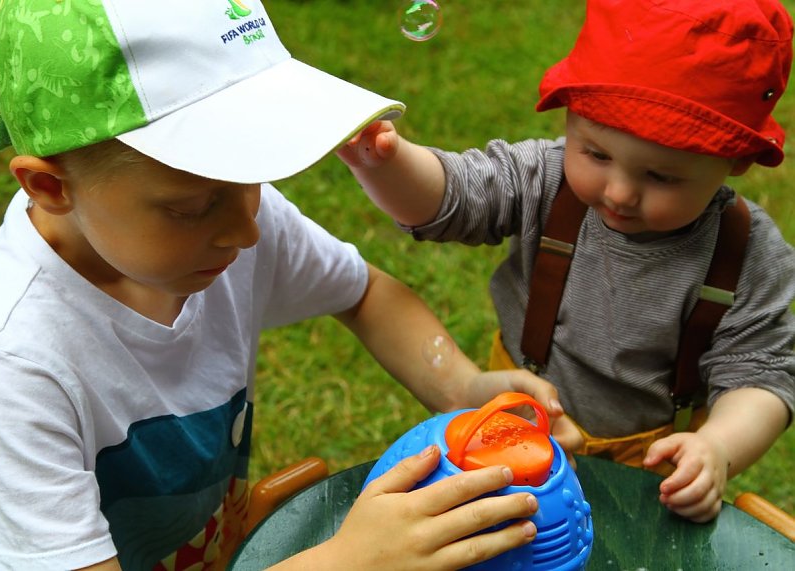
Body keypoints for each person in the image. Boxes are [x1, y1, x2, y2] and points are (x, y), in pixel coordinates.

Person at [0, 1, 569, 569]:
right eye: (190, 206)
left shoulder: (226, 220)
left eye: (250, 176)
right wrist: (350, 562)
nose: (247, 229)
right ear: (50, 186)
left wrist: (461, 386)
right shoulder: (9, 368)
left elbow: (365, 295)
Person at [338, 0, 795, 524]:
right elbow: (453, 197)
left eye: (662, 177)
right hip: (514, 433)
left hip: (648, 472)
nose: (619, 192)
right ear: (570, 115)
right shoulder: (546, 181)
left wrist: (717, 446)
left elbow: (761, 374)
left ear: (737, 159)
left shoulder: (744, 253)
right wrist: (388, 164)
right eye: (597, 154)